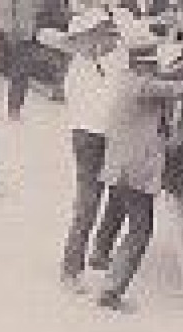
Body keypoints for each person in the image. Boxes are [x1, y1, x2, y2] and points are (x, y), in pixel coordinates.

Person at [96, 34, 183, 311]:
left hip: (122, 167)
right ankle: (111, 291)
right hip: (135, 170)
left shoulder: (130, 79)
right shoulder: (143, 87)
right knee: (140, 230)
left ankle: (104, 266)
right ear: (145, 65)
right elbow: (180, 88)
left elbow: (168, 77)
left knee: (130, 224)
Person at [40, 3, 127, 292]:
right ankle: (71, 269)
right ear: (81, 42)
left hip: (112, 136)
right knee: (88, 203)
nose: (102, 41)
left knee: (119, 197)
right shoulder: (78, 71)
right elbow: (96, 108)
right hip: (89, 138)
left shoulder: (116, 60)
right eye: (95, 36)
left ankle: (101, 250)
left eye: (104, 34)